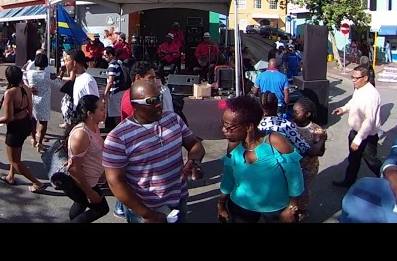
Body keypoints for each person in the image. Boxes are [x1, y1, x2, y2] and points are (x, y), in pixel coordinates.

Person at [103, 80, 205, 223]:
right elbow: (115, 181)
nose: (159, 104)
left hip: (178, 199)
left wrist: (194, 162)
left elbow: (195, 145)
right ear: (134, 105)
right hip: (144, 209)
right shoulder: (118, 137)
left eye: (159, 98)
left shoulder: (173, 119)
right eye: (151, 101)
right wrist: (147, 214)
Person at [217, 95, 304, 224]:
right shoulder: (233, 146)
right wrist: (221, 204)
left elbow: (295, 177)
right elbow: (228, 177)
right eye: (223, 125)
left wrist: (292, 208)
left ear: (249, 127)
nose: (224, 131)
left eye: (229, 127)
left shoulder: (275, 141)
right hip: (240, 207)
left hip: (276, 210)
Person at [0, 66, 47, 193]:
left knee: (14, 160)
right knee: (16, 153)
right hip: (25, 123)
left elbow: (8, 117)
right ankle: (11, 176)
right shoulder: (25, 88)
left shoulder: (10, 93)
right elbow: (30, 110)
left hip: (15, 128)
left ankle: (37, 182)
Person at [332, 65, 383, 188]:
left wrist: (358, 139)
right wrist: (343, 109)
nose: (353, 80)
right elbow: (353, 103)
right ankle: (349, 181)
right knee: (353, 159)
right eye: (352, 77)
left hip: (366, 136)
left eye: (356, 78)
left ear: (365, 78)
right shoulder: (359, 89)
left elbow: (369, 120)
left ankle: (388, 180)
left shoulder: (371, 95)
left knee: (372, 162)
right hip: (355, 132)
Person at [61, 95, 110, 223]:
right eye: (101, 109)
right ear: (90, 113)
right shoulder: (81, 134)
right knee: (102, 208)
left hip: (91, 181)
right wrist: (89, 192)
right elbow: (74, 168)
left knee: (80, 204)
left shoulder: (94, 126)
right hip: (82, 183)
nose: (104, 112)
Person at [292, 96, 327, 220]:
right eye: (293, 111)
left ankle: (302, 209)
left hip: (308, 168)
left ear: (307, 114)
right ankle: (292, 207)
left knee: (304, 190)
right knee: (292, 188)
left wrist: (322, 140)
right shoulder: (291, 126)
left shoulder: (316, 130)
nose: (293, 114)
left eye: (297, 112)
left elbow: (320, 152)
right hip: (293, 166)